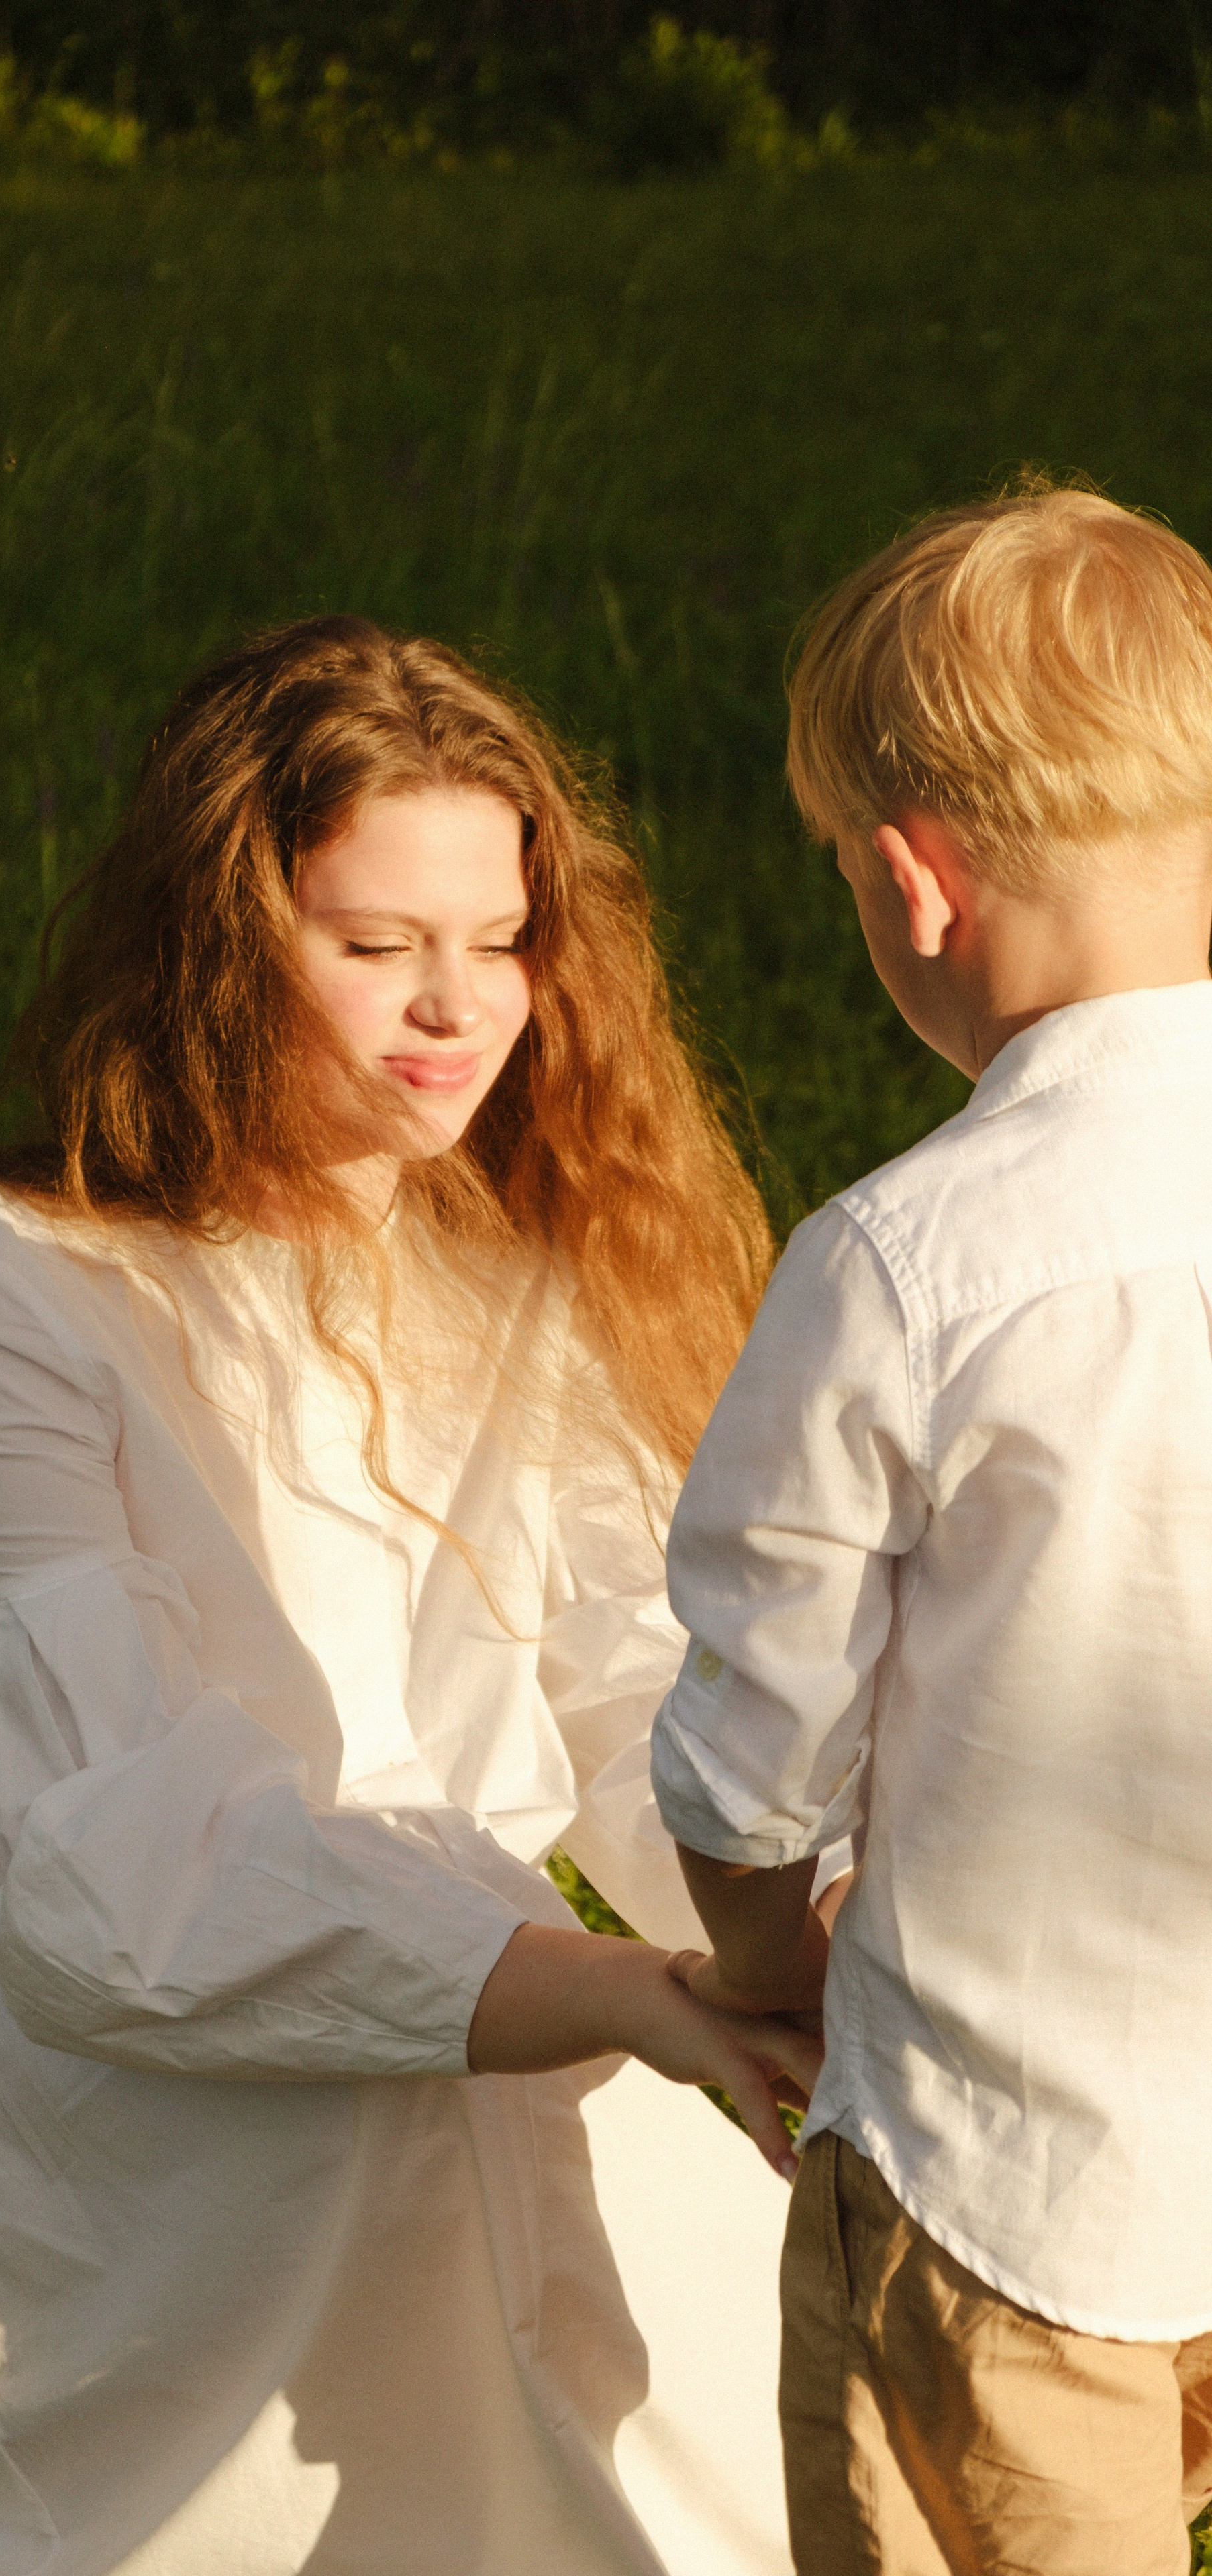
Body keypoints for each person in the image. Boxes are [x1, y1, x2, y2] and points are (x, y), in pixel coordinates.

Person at [0, 614, 821, 2576]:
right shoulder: (17, 1299)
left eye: (497, 942)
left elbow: (623, 1691)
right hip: (49, 1980)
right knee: (395, 2153)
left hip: (422, 1930)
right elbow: (112, 1876)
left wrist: (785, 1949)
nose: (453, 1010)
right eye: (373, 944)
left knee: (700, 2300)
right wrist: (609, 1994)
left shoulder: (520, 1274)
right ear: (228, 942)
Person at [649, 485, 1212, 2575]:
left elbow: (749, 1735)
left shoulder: (905, 1262)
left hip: (1004, 2175)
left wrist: (765, 1958)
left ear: (913, 882)